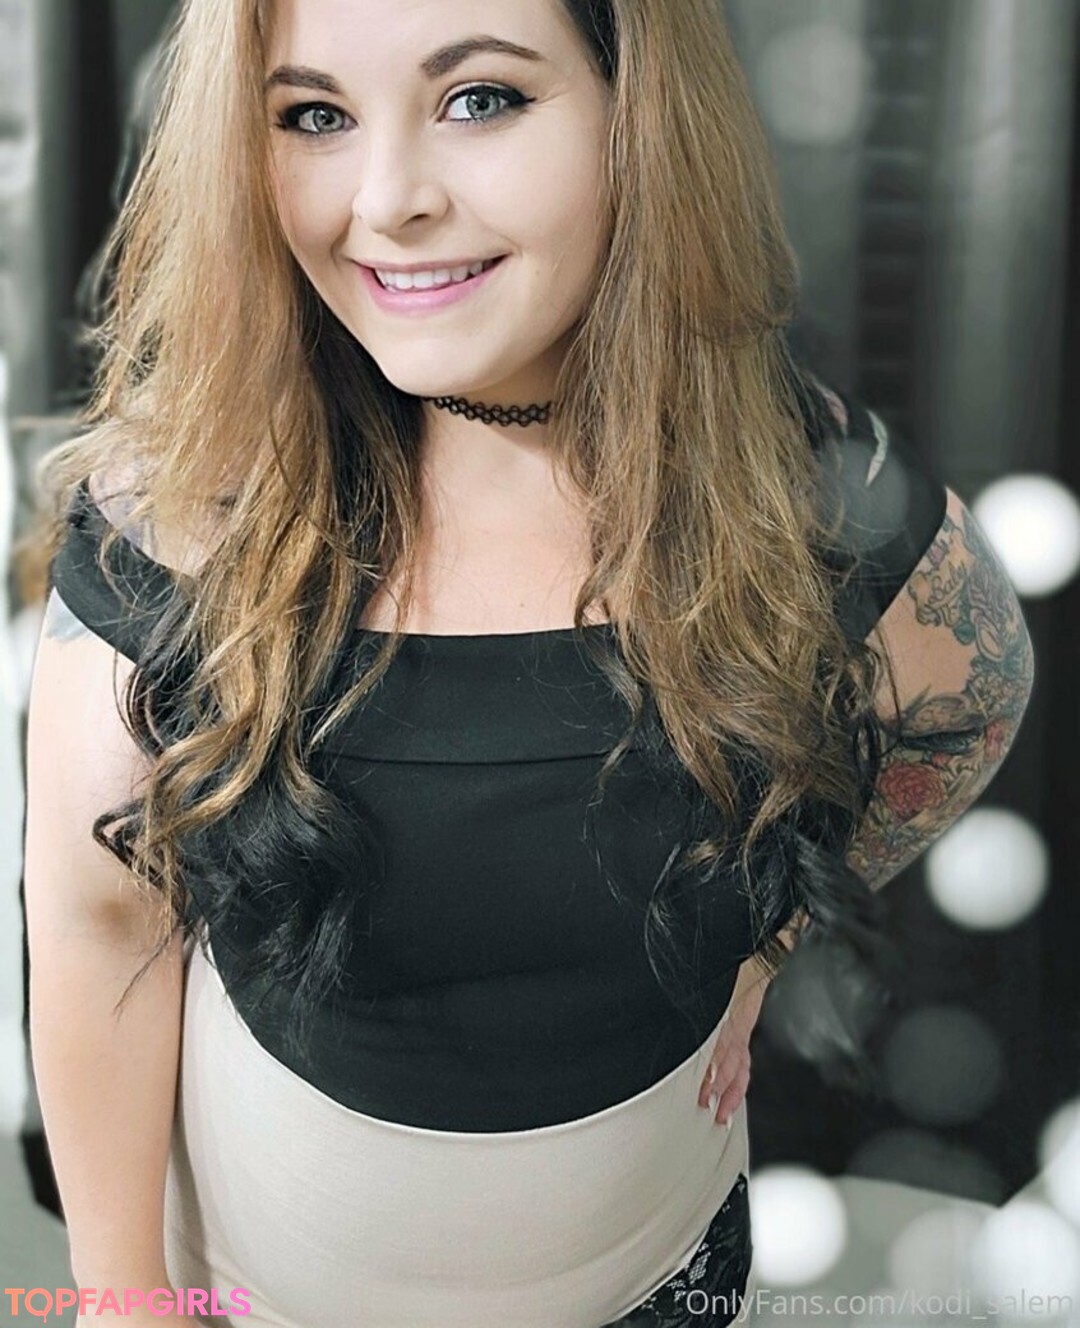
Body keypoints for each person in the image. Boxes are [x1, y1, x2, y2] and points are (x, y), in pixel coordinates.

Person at [22, 1, 1035, 1326]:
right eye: (314, 115)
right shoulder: (177, 518)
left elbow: (971, 701)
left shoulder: (806, 501)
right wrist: (121, 1303)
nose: (385, 200)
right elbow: (97, 925)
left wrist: (769, 930)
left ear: (639, 113)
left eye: (481, 99)